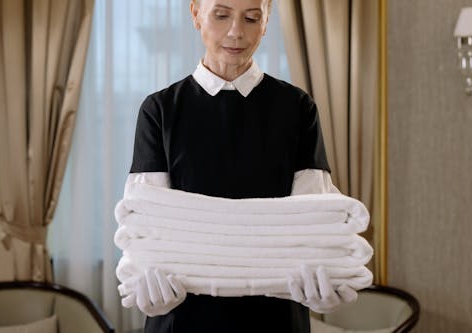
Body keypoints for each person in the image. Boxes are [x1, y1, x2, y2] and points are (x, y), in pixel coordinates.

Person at [125, 0, 356, 332]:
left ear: (266, 22)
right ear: (195, 14)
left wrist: (325, 281)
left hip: (275, 320)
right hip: (181, 320)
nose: (236, 32)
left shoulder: (297, 108)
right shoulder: (159, 111)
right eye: (221, 15)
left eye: (251, 18)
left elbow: (314, 222)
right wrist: (146, 284)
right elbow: (145, 229)